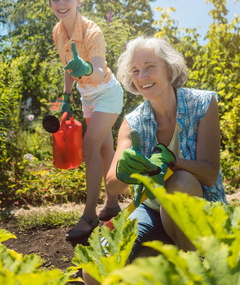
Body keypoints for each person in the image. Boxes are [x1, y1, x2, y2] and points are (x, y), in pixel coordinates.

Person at [82, 35, 227, 284]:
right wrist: (124, 171)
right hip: (152, 211)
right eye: (135, 71)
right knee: (94, 271)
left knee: (180, 182)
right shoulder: (133, 121)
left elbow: (210, 172)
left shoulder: (203, 103)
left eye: (150, 67)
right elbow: (113, 185)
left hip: (199, 207)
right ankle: (164, 258)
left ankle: (188, 271)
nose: (142, 77)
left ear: (169, 69)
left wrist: (173, 162)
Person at [47, 0, 123, 242]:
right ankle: (112, 204)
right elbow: (69, 66)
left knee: (89, 146)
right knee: (104, 148)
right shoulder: (58, 31)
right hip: (86, 96)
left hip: (107, 93)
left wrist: (88, 68)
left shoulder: (93, 32)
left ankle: (89, 215)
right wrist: (66, 97)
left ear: (78, 0)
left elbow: (100, 70)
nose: (61, 3)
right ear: (50, 4)